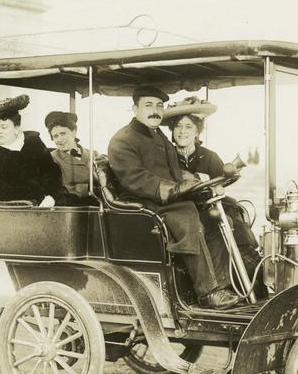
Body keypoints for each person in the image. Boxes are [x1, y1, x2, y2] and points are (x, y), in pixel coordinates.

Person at [107, 85, 241, 310]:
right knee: (188, 216)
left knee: (214, 218)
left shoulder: (159, 136)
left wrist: (196, 183)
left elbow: (175, 173)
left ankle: (222, 287)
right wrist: (175, 189)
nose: (155, 111)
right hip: (143, 204)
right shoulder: (123, 140)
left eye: (159, 106)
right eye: (148, 105)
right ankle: (207, 293)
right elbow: (136, 179)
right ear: (134, 109)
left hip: (166, 201)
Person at [162, 95, 266, 298]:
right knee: (217, 223)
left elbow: (221, 184)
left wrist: (215, 185)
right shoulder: (167, 158)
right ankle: (220, 288)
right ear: (172, 132)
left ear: (197, 132)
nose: (183, 131)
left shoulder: (209, 156)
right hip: (186, 210)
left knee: (237, 215)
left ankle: (255, 282)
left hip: (210, 204)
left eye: (189, 127)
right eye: (178, 127)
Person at [0, 94, 61, 208]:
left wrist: (51, 196)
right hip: (16, 208)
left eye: (4, 127)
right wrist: (39, 197)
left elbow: (51, 171)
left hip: (50, 201)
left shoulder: (33, 141)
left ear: (17, 127)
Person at [44, 110, 98, 205]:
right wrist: (87, 189)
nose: (60, 139)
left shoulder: (94, 155)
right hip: (72, 208)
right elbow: (57, 191)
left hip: (98, 206)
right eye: (55, 136)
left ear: (73, 132)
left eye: (63, 133)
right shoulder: (51, 159)